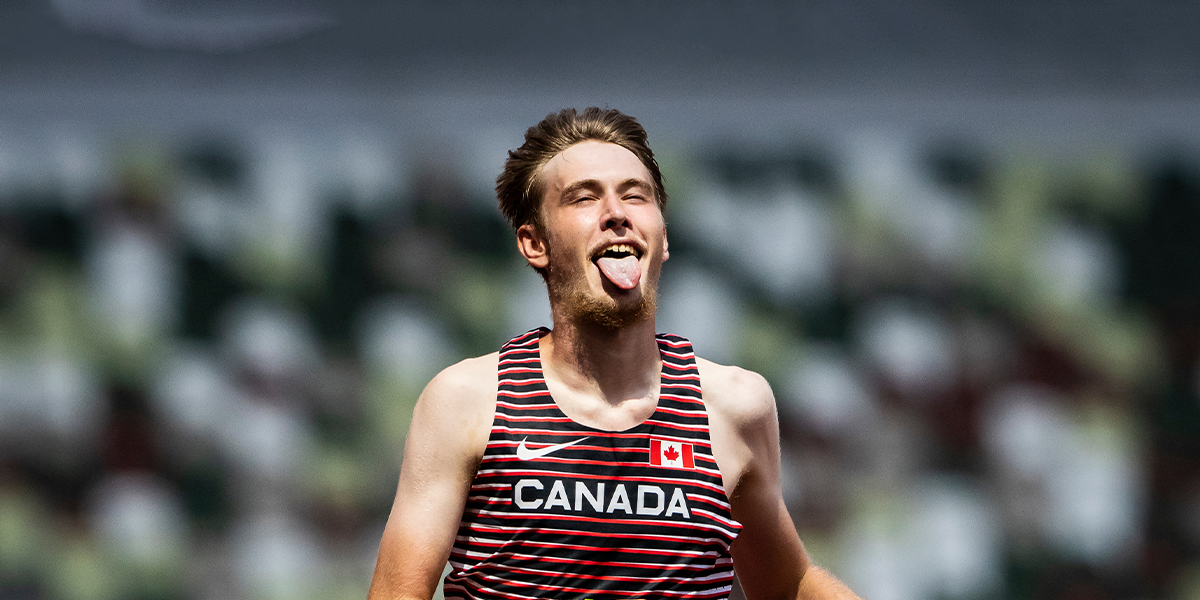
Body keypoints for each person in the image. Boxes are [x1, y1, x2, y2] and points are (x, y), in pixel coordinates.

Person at [368, 108, 861, 600]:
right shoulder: (468, 401)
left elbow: (789, 585)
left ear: (662, 239)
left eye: (635, 195)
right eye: (584, 197)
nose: (616, 213)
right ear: (534, 242)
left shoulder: (733, 407)